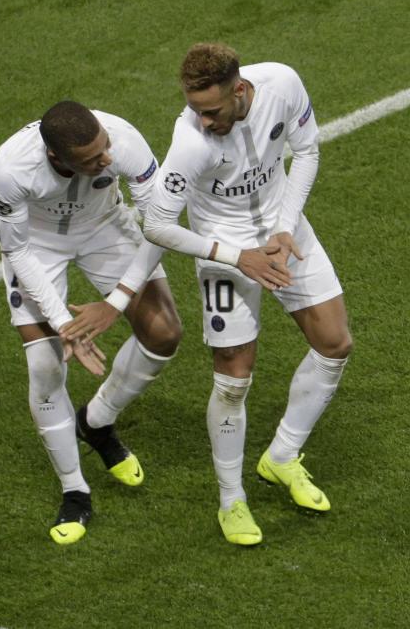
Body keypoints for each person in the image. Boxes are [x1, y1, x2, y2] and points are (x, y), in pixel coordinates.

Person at [143, 43, 352, 545]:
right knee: (234, 379)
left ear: (239, 90)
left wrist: (284, 229)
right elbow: (156, 223)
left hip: (286, 231)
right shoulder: (190, 141)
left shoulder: (282, 82)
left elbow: (306, 152)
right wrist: (240, 258)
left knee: (335, 343)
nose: (203, 120)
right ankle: (231, 499)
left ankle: (281, 457)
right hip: (224, 251)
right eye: (194, 109)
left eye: (211, 110)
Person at [0, 101, 182, 545]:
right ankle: (75, 489)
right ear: (57, 159)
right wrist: (62, 323)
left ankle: (96, 421)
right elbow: (16, 252)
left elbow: (160, 224)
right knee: (45, 366)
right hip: (37, 246)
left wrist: (114, 302)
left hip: (105, 227)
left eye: (105, 148)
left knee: (164, 333)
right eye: (92, 160)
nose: (106, 160)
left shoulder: (122, 139)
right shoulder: (12, 170)